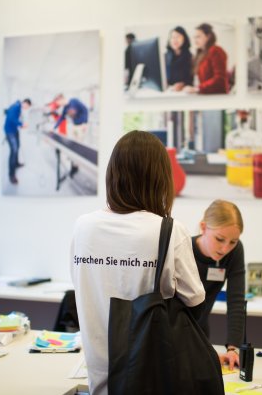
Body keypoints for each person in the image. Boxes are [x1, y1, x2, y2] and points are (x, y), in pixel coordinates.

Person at [70, 130, 206, 395]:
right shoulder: (169, 231)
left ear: (113, 174)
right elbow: (195, 299)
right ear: (160, 179)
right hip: (150, 377)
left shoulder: (82, 227)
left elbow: (82, 284)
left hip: (98, 377)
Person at [192, 199, 246, 371]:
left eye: (233, 241)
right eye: (220, 239)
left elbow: (236, 300)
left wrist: (233, 349)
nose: (225, 249)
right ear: (203, 227)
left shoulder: (235, 252)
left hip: (201, 333)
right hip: (175, 336)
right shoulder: (183, 248)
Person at [184, 23, 229, 94]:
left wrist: (198, 88)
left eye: (198, 37)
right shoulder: (201, 54)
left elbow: (220, 78)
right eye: (194, 37)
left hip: (217, 97)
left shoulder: (216, 50)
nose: (195, 40)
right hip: (206, 95)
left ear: (208, 36)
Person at [3, 98, 31, 185]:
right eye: (27, 107)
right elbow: (11, 118)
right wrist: (21, 124)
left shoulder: (17, 105)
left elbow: (8, 112)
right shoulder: (16, 106)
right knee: (14, 151)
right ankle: (11, 175)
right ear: (25, 103)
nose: (26, 109)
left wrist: (19, 124)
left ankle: (16, 163)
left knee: (17, 147)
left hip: (14, 130)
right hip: (10, 132)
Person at [165, 26, 193, 91]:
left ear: (184, 38)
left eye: (178, 37)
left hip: (184, 91)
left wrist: (183, 84)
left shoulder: (190, 57)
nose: (175, 40)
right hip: (168, 90)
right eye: (172, 37)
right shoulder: (165, 57)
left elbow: (190, 78)